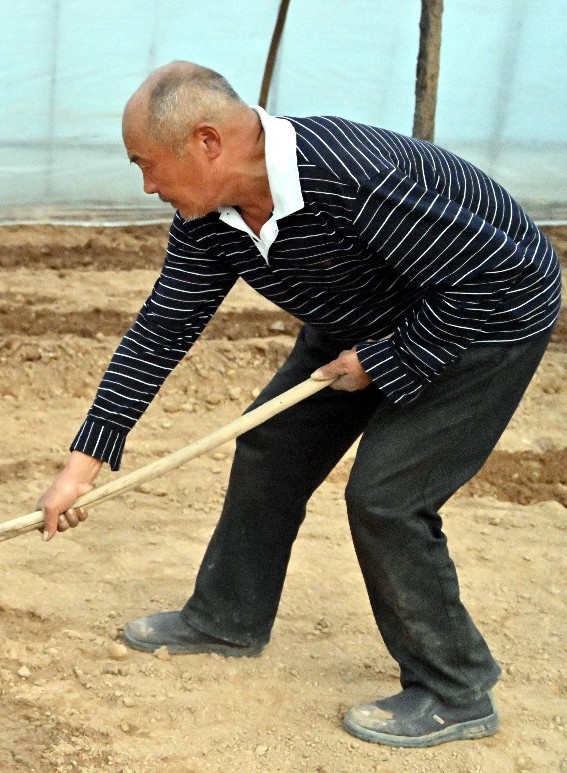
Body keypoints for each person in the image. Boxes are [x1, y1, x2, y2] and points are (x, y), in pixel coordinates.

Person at [37, 61, 561, 748]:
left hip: (485, 320)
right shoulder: (209, 219)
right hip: (364, 314)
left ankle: (455, 688)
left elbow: (499, 276)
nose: (148, 186)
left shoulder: (354, 176)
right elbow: (164, 327)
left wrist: (384, 360)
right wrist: (84, 463)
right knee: (271, 444)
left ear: (206, 142)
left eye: (149, 165)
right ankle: (227, 617)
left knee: (386, 496)